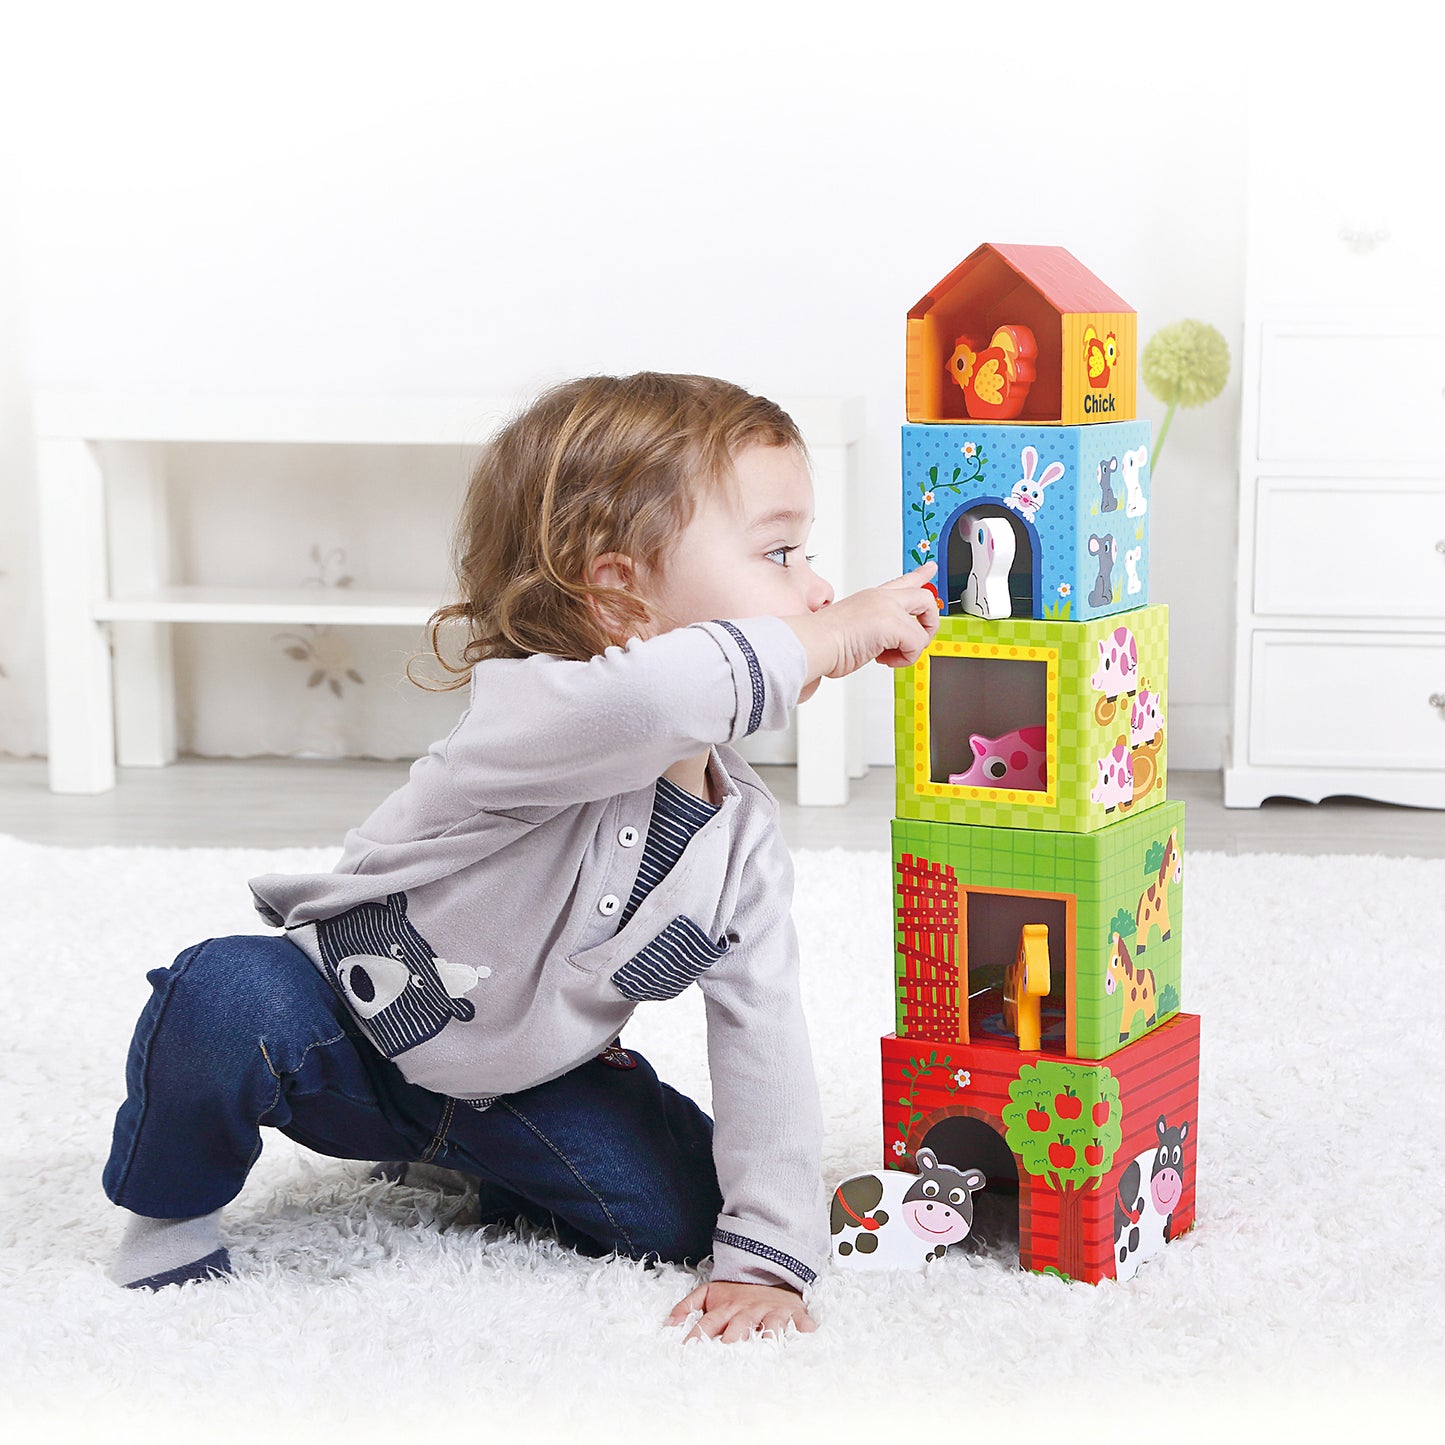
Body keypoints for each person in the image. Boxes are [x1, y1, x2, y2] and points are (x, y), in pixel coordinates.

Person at [101, 372, 939, 1343]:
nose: (819, 589)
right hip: (346, 1035)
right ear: (616, 591)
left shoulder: (739, 842)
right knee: (225, 995)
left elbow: (763, 1043)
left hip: (526, 1088)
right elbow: (657, 697)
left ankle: (481, 1164)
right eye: (780, 551)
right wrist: (828, 635)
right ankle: (166, 1210)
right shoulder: (531, 714)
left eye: (810, 562)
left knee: (681, 1214)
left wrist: (765, 1258)